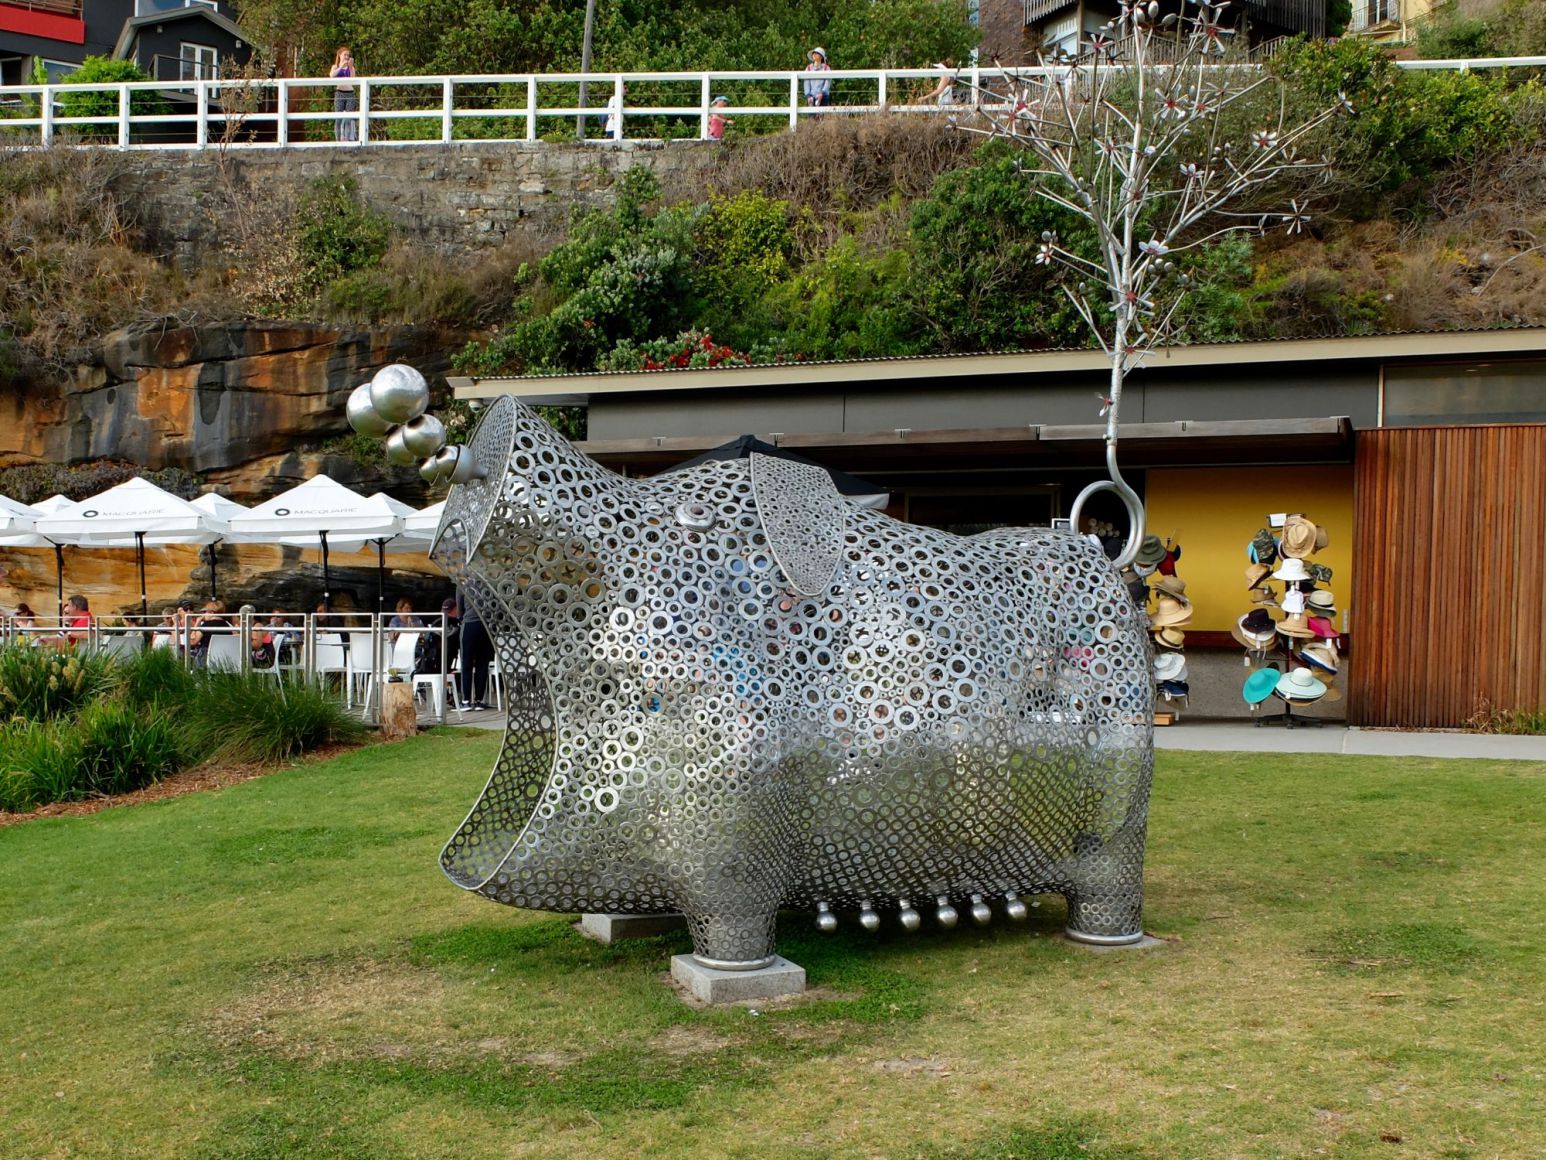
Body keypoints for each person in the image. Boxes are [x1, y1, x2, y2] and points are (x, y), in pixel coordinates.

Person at [458, 595, 493, 711]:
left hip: (469, 623)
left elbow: (460, 608)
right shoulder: (489, 580)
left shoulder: (462, 581)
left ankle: (466, 700)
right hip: (486, 625)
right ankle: (479, 700)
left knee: (466, 663)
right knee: (482, 664)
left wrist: (461, 617)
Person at [330, 46, 358, 142]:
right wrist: (341, 67)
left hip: (350, 93)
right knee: (338, 118)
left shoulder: (351, 67)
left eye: (348, 55)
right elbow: (332, 76)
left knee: (348, 118)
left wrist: (350, 67)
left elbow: (353, 78)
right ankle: (338, 140)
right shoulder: (335, 67)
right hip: (340, 93)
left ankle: (347, 139)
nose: (346, 57)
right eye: (344, 55)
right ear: (340, 55)